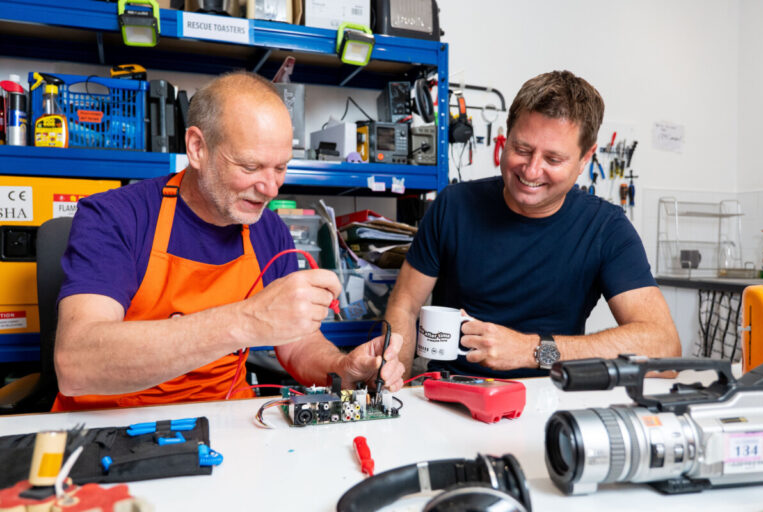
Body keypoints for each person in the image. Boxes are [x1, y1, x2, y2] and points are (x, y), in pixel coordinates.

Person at [52, 71, 404, 411]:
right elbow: (77, 364)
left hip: (226, 421)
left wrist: (342, 369)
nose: (271, 188)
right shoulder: (116, 217)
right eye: (250, 167)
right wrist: (247, 320)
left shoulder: (271, 231)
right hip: (108, 427)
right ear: (197, 148)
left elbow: (297, 345)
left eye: (280, 168)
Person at [385, 70, 680, 380]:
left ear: (585, 159)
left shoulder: (606, 229)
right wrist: (394, 380)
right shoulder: (453, 205)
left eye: (553, 159)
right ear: (507, 135)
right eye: (522, 149)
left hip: (547, 405)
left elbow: (665, 351)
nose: (532, 170)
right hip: (448, 394)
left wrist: (533, 350)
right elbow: (404, 306)